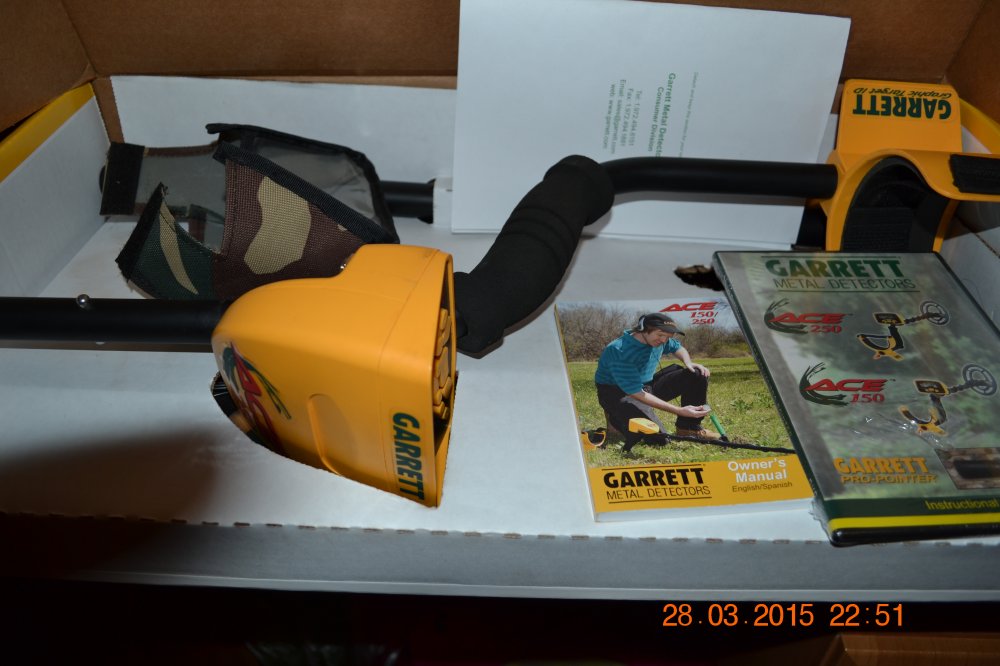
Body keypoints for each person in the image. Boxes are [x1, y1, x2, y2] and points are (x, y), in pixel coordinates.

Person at [594, 312, 719, 452]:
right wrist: (679, 410)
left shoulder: (659, 340)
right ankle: (615, 417)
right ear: (644, 329)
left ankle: (688, 428)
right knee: (660, 439)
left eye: (668, 337)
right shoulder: (620, 350)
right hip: (618, 392)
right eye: (660, 335)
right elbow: (635, 392)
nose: (664, 340)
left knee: (696, 374)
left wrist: (688, 362)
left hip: (646, 386)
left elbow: (678, 347)